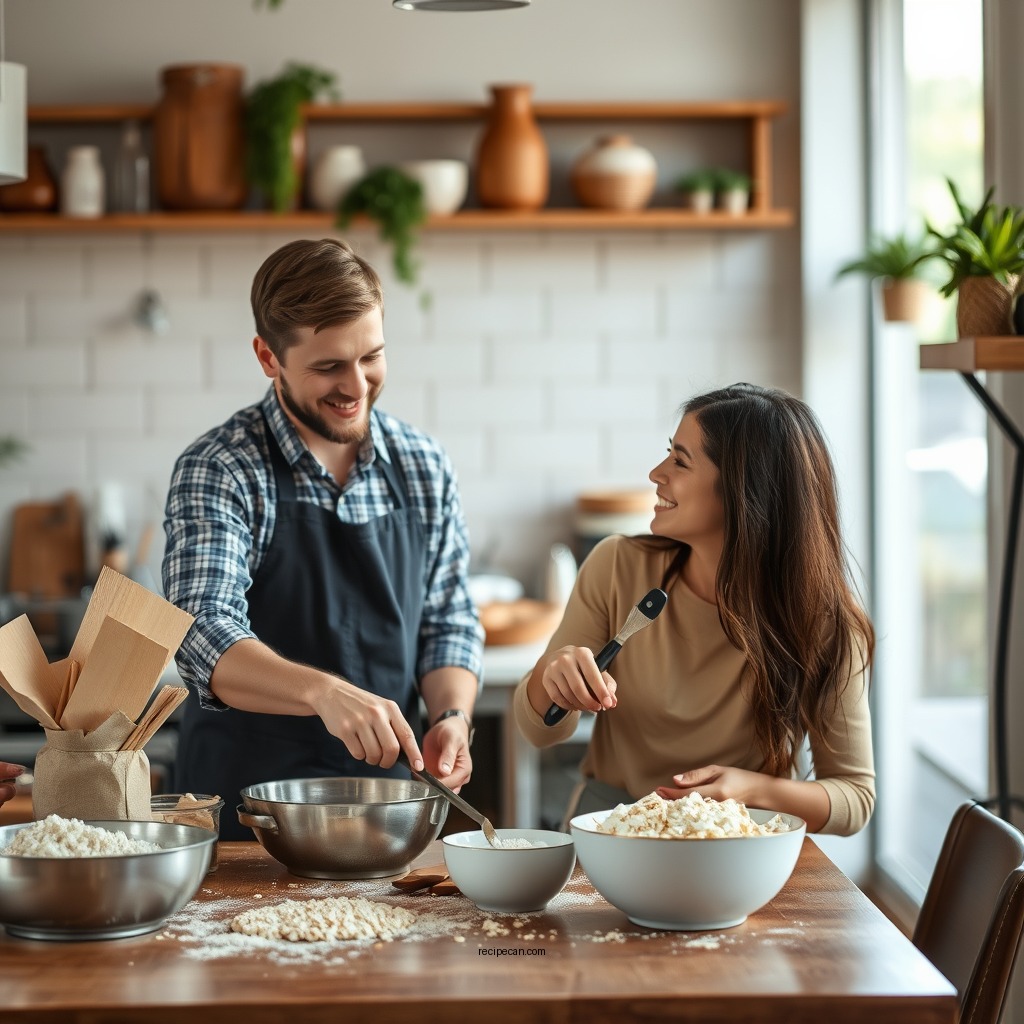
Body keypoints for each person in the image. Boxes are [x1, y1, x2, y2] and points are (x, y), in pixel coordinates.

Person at [163, 238, 484, 839]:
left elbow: (448, 622)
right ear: (268, 357)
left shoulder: (422, 465)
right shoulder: (222, 468)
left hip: (387, 816)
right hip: (247, 822)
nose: (356, 386)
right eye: (329, 366)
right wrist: (322, 693)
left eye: (372, 357)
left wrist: (451, 716)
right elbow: (201, 631)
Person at [514, 383, 875, 836]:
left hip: (738, 840)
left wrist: (752, 790)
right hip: (608, 832)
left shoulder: (826, 623)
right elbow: (540, 731)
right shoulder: (617, 566)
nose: (655, 473)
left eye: (680, 461)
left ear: (746, 492)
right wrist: (553, 675)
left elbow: (854, 797)